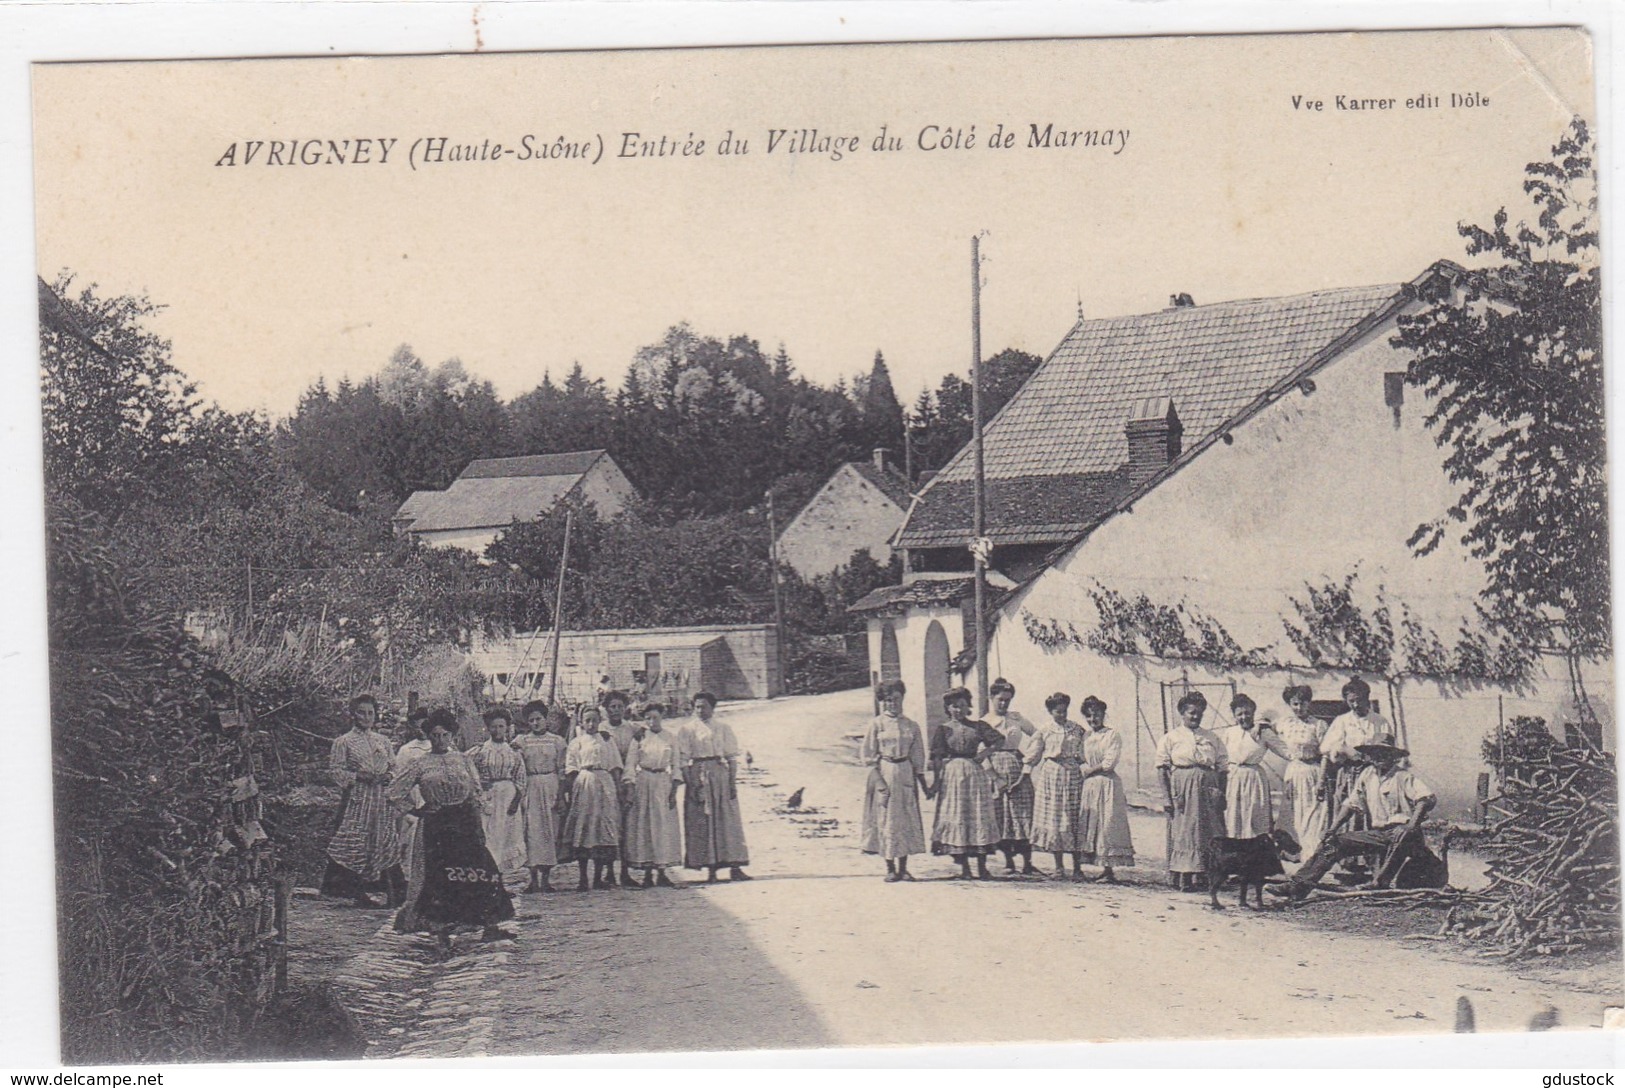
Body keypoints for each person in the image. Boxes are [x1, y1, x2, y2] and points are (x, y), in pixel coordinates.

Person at [387, 709, 515, 955]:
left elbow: (475, 793)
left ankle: (489, 925)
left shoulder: (463, 760)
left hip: (464, 821)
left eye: (445, 735)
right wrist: (418, 810)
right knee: (440, 878)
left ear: (452, 735)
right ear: (429, 736)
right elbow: (394, 793)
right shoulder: (420, 763)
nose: (440, 740)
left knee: (481, 871)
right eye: (435, 735)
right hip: (437, 825)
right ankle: (442, 932)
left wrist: (478, 824)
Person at [1278, 742, 1440, 899]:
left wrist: (1410, 825)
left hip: (1407, 835)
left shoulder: (1403, 776)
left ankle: (1379, 884)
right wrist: (1333, 829)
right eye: (1375, 754)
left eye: (1385, 754)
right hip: (1380, 834)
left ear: (1394, 757)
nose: (1379, 758)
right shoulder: (1367, 775)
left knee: (1401, 836)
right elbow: (1351, 804)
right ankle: (1297, 886)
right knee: (1333, 842)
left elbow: (1426, 798)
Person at [322, 694, 406, 908]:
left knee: (385, 838)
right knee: (356, 838)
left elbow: (395, 768)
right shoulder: (344, 742)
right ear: (353, 715)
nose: (367, 717)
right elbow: (335, 771)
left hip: (381, 799)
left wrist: (389, 776)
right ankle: (356, 891)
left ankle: (392, 892)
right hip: (358, 798)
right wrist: (358, 776)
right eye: (362, 712)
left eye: (371, 713)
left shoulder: (384, 741)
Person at [1154, 691, 1228, 892]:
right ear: (1182, 713)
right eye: (1191, 712)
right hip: (1183, 787)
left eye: (1199, 713)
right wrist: (1167, 798)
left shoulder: (1211, 737)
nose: (1195, 716)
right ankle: (1183, 876)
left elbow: (1222, 768)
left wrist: (1221, 793)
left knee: (1209, 830)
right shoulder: (1171, 737)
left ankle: (1203, 875)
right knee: (1185, 830)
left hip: (1208, 788)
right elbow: (1162, 769)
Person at [675, 691, 752, 882]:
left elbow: (732, 757)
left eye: (705, 706)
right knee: (703, 819)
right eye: (697, 707)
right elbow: (683, 760)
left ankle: (734, 866)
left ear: (713, 708)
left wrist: (732, 782)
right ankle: (710, 868)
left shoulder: (723, 728)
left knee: (727, 819)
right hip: (698, 774)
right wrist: (691, 784)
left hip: (719, 774)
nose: (701, 710)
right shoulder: (687, 730)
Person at [929, 687, 1005, 879]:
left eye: (962, 706)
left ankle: (982, 867)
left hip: (974, 774)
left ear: (968, 707)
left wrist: (983, 754)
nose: (959, 710)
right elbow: (937, 757)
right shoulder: (943, 729)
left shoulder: (978, 726)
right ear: (948, 708)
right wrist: (937, 781)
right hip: (953, 776)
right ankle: (965, 869)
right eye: (954, 706)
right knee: (959, 816)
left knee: (978, 816)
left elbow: (999, 740)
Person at [860, 679, 929, 882]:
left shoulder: (911, 725)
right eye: (888, 700)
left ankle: (904, 867)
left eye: (896, 699)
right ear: (883, 702)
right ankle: (889, 866)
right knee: (886, 819)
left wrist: (923, 784)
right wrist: (878, 781)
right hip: (885, 772)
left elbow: (918, 756)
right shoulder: (877, 724)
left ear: (902, 699)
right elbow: (868, 755)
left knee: (905, 818)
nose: (893, 704)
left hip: (905, 772)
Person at [1026, 692, 1089, 881]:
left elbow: (1084, 753)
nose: (1061, 715)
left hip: (1072, 775)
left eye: (1064, 711)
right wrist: (1025, 773)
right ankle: (1059, 867)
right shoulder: (1045, 730)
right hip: (1051, 775)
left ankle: (1077, 868)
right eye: (1057, 711)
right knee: (1055, 819)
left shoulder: (1077, 729)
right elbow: (1034, 755)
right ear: (1050, 711)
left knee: (1073, 818)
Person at [1320, 677, 1396, 831]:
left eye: (1359, 700)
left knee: (1371, 811)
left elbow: (1388, 749)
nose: (1355, 705)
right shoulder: (1342, 721)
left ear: (1367, 698)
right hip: (1349, 774)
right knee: (1347, 809)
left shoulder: (1380, 721)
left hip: (1372, 773)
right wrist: (1344, 750)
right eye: (1351, 701)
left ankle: (1368, 853)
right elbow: (1327, 749)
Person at [560, 708, 624, 890]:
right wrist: (571, 793)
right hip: (585, 782)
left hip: (604, 784)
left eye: (594, 720)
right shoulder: (576, 742)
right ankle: (582, 878)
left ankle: (598, 877)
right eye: (587, 720)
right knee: (584, 828)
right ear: (581, 722)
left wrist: (618, 789)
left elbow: (615, 765)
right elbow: (571, 769)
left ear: (599, 721)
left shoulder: (606, 739)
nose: (591, 724)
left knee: (603, 828)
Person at [623, 703, 683, 888]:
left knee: (662, 826)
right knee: (646, 825)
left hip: (662, 782)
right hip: (644, 782)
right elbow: (630, 763)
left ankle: (662, 871)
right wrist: (631, 787)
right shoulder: (640, 737)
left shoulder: (670, 737)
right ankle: (648, 871)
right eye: (647, 718)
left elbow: (676, 765)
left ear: (662, 717)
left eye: (655, 717)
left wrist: (673, 791)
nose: (651, 721)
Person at [1215, 694, 1291, 839]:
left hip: (1254, 779)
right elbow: (1220, 757)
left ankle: (1255, 855)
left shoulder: (1263, 732)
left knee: (1255, 817)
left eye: (1247, 713)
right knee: (1234, 817)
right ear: (1234, 716)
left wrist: (1263, 724)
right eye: (1239, 714)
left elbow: (1286, 751)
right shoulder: (1229, 733)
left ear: (1253, 713)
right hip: (1233, 778)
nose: (1244, 717)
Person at [986, 677, 1040, 876]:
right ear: (992, 698)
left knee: (1023, 813)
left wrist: (1029, 760)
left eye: (1007, 700)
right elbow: (980, 751)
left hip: (1018, 769)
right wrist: (993, 777)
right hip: (996, 769)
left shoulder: (1016, 719)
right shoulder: (985, 722)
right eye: (1000, 699)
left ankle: (1028, 862)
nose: (1004, 703)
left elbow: (1037, 736)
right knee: (1002, 815)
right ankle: (1008, 862)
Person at [1078, 696, 1134, 882]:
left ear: (1103, 714)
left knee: (1107, 824)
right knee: (1093, 822)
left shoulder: (1112, 735)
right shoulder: (1086, 736)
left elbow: (1109, 763)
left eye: (1097, 715)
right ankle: (1099, 868)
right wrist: (1084, 769)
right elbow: (1080, 758)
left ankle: (1109, 870)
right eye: (1089, 716)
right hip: (1090, 785)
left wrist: (1089, 771)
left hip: (1107, 783)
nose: (1093, 719)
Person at [513, 700, 567, 893]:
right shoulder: (522, 741)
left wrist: (561, 797)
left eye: (539, 719)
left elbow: (562, 770)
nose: (535, 723)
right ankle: (532, 879)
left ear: (546, 719)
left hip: (550, 785)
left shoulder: (557, 741)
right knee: (532, 832)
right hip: (531, 786)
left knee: (550, 831)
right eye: (532, 720)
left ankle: (546, 878)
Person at [468, 707, 528, 878]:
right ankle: (489, 871)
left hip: (508, 796)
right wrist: (480, 783)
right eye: (494, 727)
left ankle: (504, 874)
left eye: (501, 726)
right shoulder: (480, 751)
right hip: (489, 797)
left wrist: (516, 800)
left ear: (507, 727)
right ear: (488, 728)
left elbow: (521, 777)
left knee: (506, 833)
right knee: (489, 833)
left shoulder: (513, 752)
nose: (497, 730)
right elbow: (467, 769)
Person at [1275, 685, 1329, 850]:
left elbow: (1325, 754)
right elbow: (1266, 727)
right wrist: (1259, 725)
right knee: (1293, 814)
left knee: (1313, 816)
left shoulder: (1318, 725)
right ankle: (1295, 854)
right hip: (1293, 772)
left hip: (1313, 772)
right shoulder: (1285, 723)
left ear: (1309, 703)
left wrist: (1321, 780)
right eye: (1295, 704)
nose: (1299, 708)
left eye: (1303, 703)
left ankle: (1312, 855)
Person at [601, 690, 643, 888]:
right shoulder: (601, 729)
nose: (616, 710)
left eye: (619, 706)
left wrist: (627, 784)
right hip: (605, 780)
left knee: (626, 826)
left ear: (625, 708)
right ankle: (608, 872)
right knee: (608, 827)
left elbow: (635, 756)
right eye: (612, 707)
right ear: (606, 709)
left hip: (627, 779)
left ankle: (625, 872)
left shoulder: (632, 729)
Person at [391, 707, 434, 889]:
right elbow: (399, 780)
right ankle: (409, 881)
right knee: (409, 841)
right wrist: (408, 807)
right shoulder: (406, 750)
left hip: (432, 799)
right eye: (417, 727)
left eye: (425, 726)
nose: (421, 731)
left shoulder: (442, 747)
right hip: (413, 801)